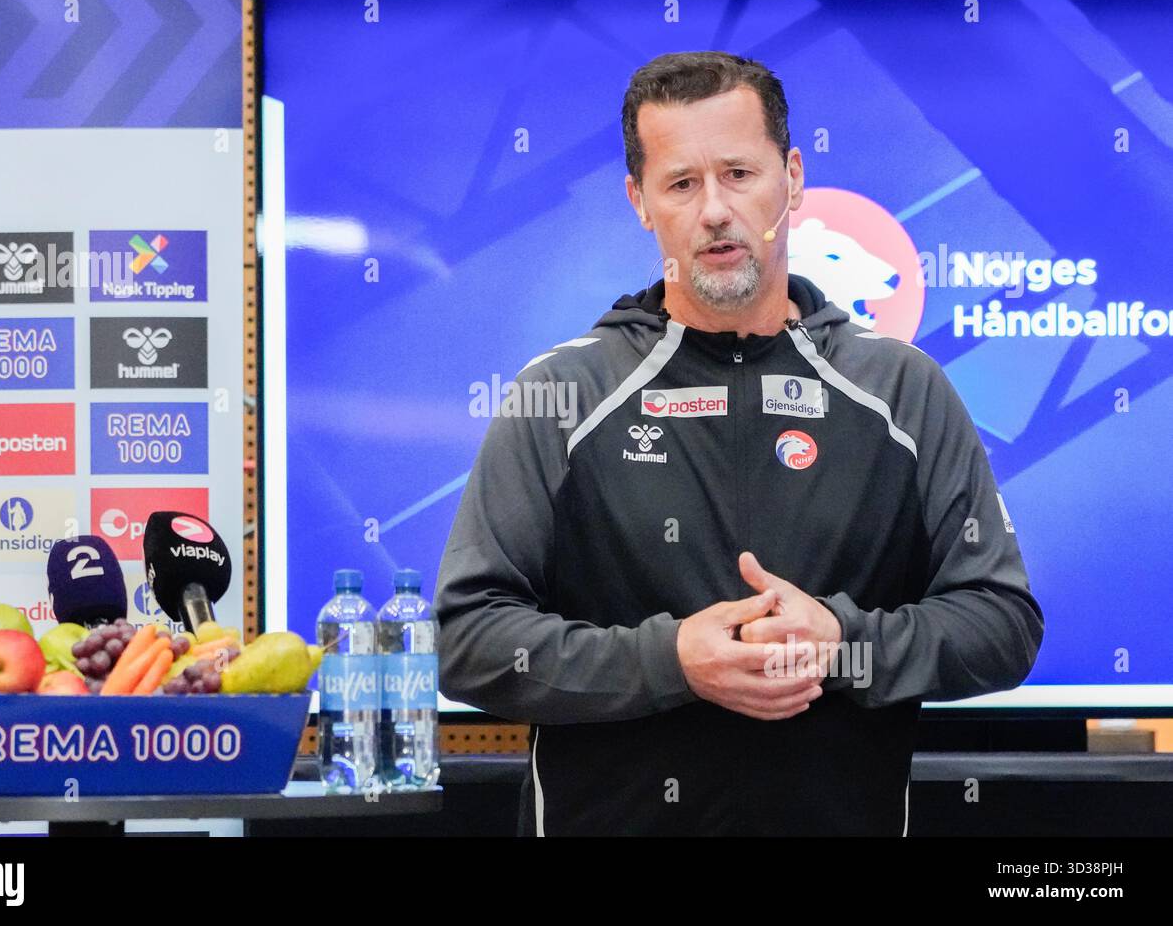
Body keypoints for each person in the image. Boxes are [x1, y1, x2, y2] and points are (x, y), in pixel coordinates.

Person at [434, 51, 1044, 836]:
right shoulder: (564, 395)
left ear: (792, 178)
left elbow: (1002, 624)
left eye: (739, 173)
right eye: (682, 183)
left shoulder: (903, 389)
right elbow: (467, 640)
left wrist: (843, 642)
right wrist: (671, 662)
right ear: (640, 202)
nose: (715, 210)